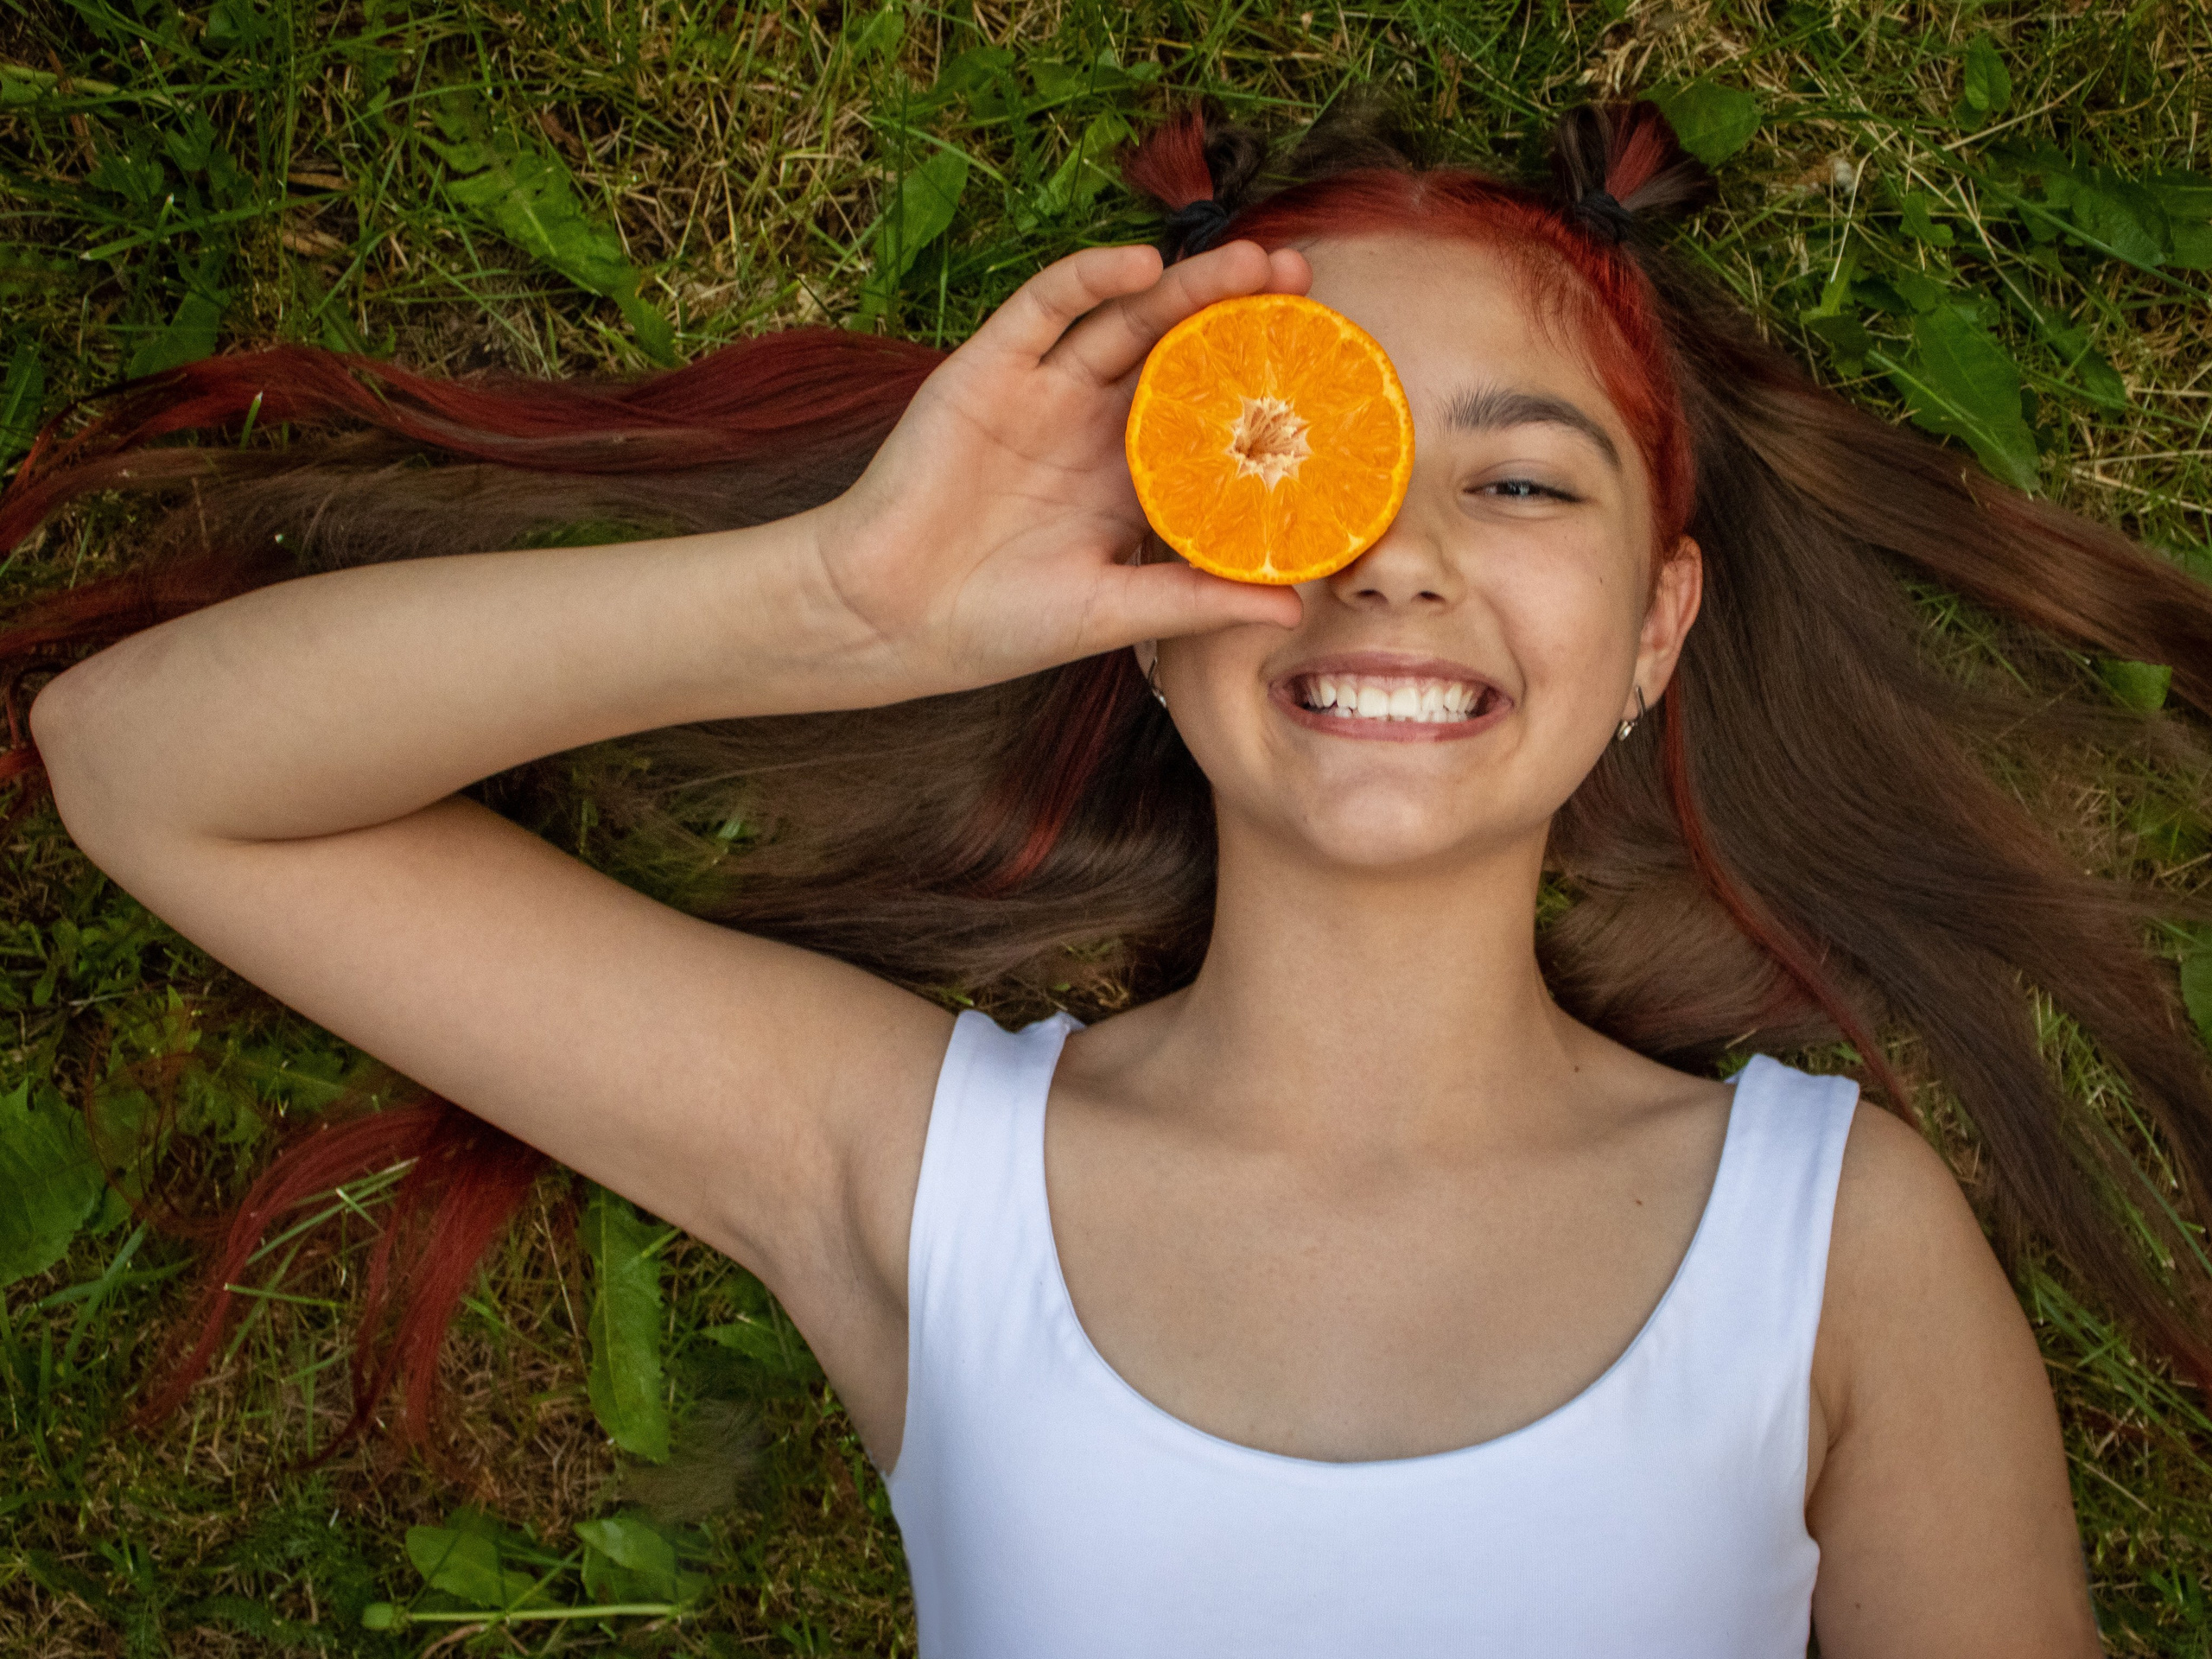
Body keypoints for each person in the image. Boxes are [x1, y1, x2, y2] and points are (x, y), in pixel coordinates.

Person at [7, 95, 2200, 1657]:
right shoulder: (907, 1176)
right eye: (1289, 459)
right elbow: (151, 769)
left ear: (1652, 633)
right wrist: (841, 605)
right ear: (1142, 600)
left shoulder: (1837, 1247)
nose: (1393, 552)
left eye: (1520, 479)